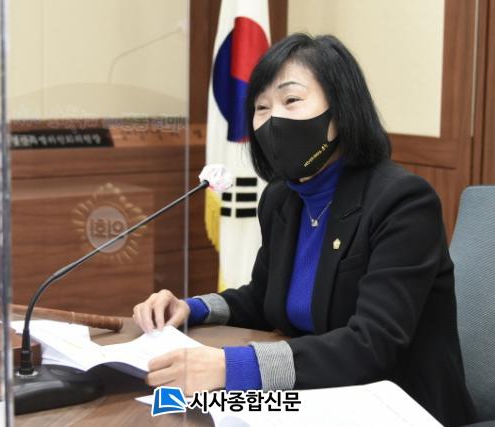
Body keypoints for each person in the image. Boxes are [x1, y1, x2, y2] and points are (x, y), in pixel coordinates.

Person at [132, 33, 475, 426]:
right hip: (321, 397)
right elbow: (264, 299)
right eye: (261, 107)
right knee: (180, 412)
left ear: (341, 110)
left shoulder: (402, 201)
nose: (273, 119)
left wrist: (229, 366)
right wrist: (190, 308)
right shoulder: (282, 199)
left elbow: (373, 343)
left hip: (397, 404)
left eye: (291, 100)